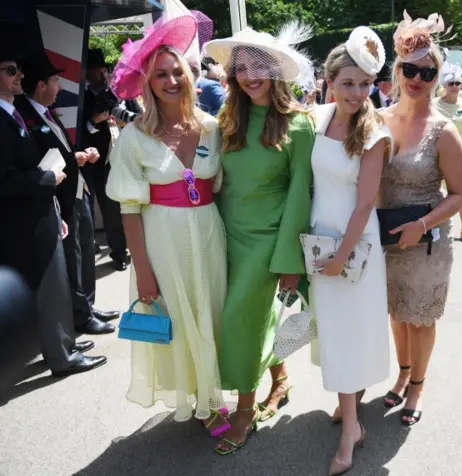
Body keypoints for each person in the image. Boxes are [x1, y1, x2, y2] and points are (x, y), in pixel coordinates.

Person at [106, 16, 228, 428]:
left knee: (209, 310)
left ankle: (213, 391)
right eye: (161, 74)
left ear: (190, 75)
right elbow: (128, 210)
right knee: (179, 316)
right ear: (148, 82)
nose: (171, 80)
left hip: (210, 235)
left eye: (177, 71)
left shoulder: (212, 129)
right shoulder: (134, 137)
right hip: (163, 240)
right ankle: (202, 400)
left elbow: (226, 188)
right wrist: (142, 270)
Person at [204, 24, 315, 455]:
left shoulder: (300, 125)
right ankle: (280, 379)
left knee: (239, 321)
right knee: (247, 318)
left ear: (275, 71)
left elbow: (299, 196)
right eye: (242, 68)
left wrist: (290, 258)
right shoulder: (227, 119)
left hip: (269, 241)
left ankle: (245, 409)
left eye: (259, 66)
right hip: (223, 235)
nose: (250, 76)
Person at [379, 10, 462, 426]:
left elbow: (460, 194)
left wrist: (422, 225)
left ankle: (418, 385)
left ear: (437, 77)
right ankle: (400, 376)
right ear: (397, 70)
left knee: (420, 318)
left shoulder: (444, 130)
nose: (417, 78)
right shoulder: (377, 121)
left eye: (427, 72)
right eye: (410, 69)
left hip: (427, 240)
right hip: (386, 239)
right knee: (397, 313)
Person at [310, 27, 391, 475]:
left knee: (350, 330)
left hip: (354, 246)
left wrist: (341, 255)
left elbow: (365, 202)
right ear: (329, 80)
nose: (357, 93)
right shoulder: (318, 118)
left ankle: (351, 430)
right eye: (348, 83)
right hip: (320, 241)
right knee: (337, 330)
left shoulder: (373, 131)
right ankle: (349, 407)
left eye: (364, 83)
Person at [0, 45, 106, 377]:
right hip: (24, 219)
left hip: (41, 210)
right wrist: (48, 179)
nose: (19, 76)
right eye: (10, 70)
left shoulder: (11, 112)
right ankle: (62, 356)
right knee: (49, 286)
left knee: (55, 284)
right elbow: (6, 178)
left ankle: (63, 346)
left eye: (18, 70)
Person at [16, 53, 120, 336]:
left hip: (77, 188)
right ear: (40, 85)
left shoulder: (45, 111)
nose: (60, 87)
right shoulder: (26, 115)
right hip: (60, 196)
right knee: (73, 258)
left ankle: (87, 306)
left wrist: (78, 156)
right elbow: (37, 160)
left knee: (85, 252)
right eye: (55, 81)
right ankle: (80, 316)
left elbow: (59, 151)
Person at [83, 48, 138, 271]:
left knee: (128, 206)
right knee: (109, 209)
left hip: (126, 158)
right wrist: (95, 121)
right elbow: (81, 131)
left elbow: (141, 119)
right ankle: (118, 253)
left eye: (104, 70)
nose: (102, 76)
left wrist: (127, 122)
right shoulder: (84, 98)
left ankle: (128, 249)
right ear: (87, 74)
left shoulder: (123, 92)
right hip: (99, 162)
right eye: (96, 72)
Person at [434, 70, 462, 238]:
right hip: (439, 153)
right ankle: (436, 225)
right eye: (451, 83)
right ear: (444, 86)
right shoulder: (434, 104)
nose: (455, 87)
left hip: (461, 153)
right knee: (437, 191)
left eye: (458, 83)